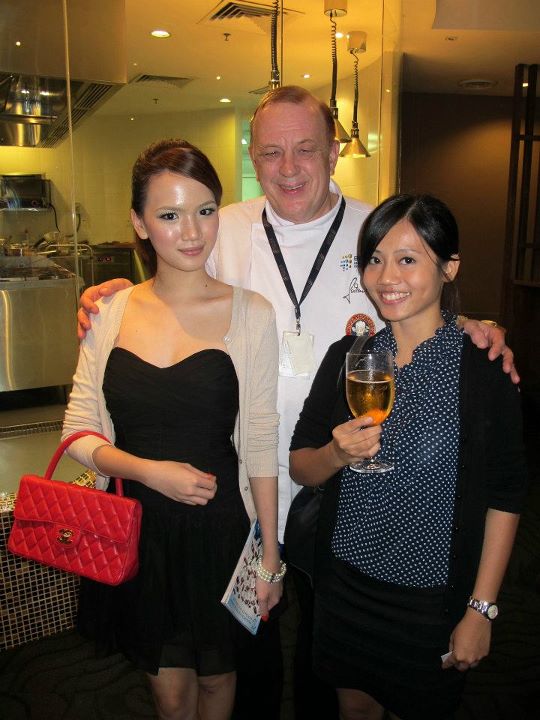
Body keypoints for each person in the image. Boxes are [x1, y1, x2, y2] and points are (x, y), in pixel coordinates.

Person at [75, 87, 516, 719]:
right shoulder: (218, 225)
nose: (288, 168)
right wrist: (113, 295)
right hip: (234, 494)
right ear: (252, 156)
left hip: (340, 502)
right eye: (271, 152)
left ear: (334, 152)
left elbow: (418, 289)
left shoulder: (374, 227)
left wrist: (471, 325)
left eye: (306, 149)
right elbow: (166, 281)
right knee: (240, 668)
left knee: (327, 670)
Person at [62, 139, 283, 720]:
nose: (192, 232)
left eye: (205, 210)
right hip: (139, 527)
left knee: (218, 681)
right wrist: (147, 472)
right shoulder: (110, 313)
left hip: (220, 528)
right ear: (139, 223)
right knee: (169, 694)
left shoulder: (252, 313)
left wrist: (269, 557)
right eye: (169, 215)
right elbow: (78, 430)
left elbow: (262, 442)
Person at [289, 193, 528, 720]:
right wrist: (336, 452)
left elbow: (507, 495)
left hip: (431, 597)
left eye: (407, 259)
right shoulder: (348, 357)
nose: (386, 276)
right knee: (354, 710)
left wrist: (481, 608)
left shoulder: (483, 368)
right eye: (375, 259)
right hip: (346, 582)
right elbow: (301, 464)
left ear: (449, 267)